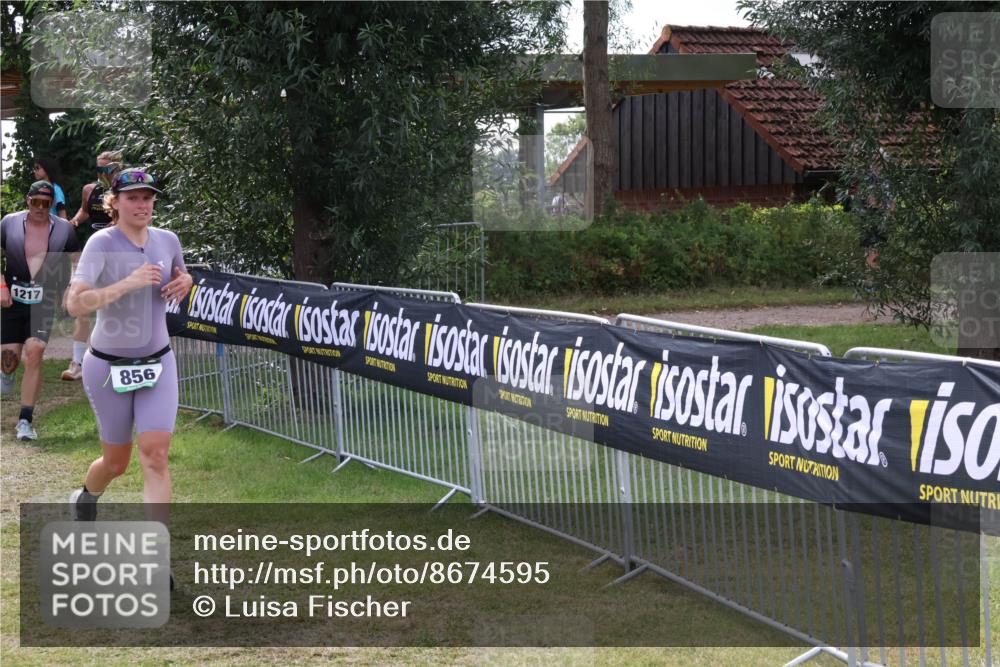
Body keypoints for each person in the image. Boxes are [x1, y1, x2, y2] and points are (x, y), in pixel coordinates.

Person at [66, 168, 192, 524]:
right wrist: (128, 283)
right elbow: (75, 305)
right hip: (108, 366)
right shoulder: (101, 243)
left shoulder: (167, 239)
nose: (142, 204)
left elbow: (181, 275)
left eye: (147, 198)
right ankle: (88, 497)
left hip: (159, 362)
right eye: (132, 198)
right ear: (115, 203)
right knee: (116, 462)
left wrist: (186, 282)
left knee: (155, 455)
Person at [1, 181, 82, 440]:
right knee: (9, 361)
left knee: (35, 352)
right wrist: (1, 285)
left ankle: (25, 420)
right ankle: (5, 373)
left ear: (51, 204)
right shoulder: (9, 223)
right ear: (28, 200)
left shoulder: (64, 229)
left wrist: (71, 286)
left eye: (45, 204)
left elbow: (76, 260)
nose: (39, 208)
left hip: (44, 298)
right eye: (35, 202)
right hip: (12, 299)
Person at [63, 150, 123, 382]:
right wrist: (75, 221)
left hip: (118, 250)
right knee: (83, 307)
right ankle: (77, 362)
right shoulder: (90, 189)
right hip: (94, 249)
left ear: (116, 168)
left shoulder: (124, 189)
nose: (100, 173)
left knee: (117, 308)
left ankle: (116, 360)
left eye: (105, 169)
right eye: (97, 168)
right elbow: (85, 211)